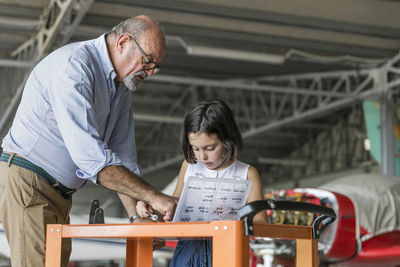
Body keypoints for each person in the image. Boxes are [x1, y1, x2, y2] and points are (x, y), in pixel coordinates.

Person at [0, 15, 177, 267]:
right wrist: (155, 197)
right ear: (123, 42)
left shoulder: (121, 88)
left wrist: (136, 217)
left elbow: (122, 157)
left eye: (154, 67)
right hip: (30, 183)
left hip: (59, 194)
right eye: (147, 61)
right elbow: (91, 159)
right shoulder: (75, 66)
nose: (149, 72)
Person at [137, 99, 268, 267]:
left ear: (229, 139)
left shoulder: (248, 173)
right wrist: (150, 208)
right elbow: (174, 209)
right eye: (195, 148)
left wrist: (232, 220)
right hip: (188, 251)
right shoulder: (189, 166)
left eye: (210, 148)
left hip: (228, 251)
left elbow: (262, 223)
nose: (202, 157)